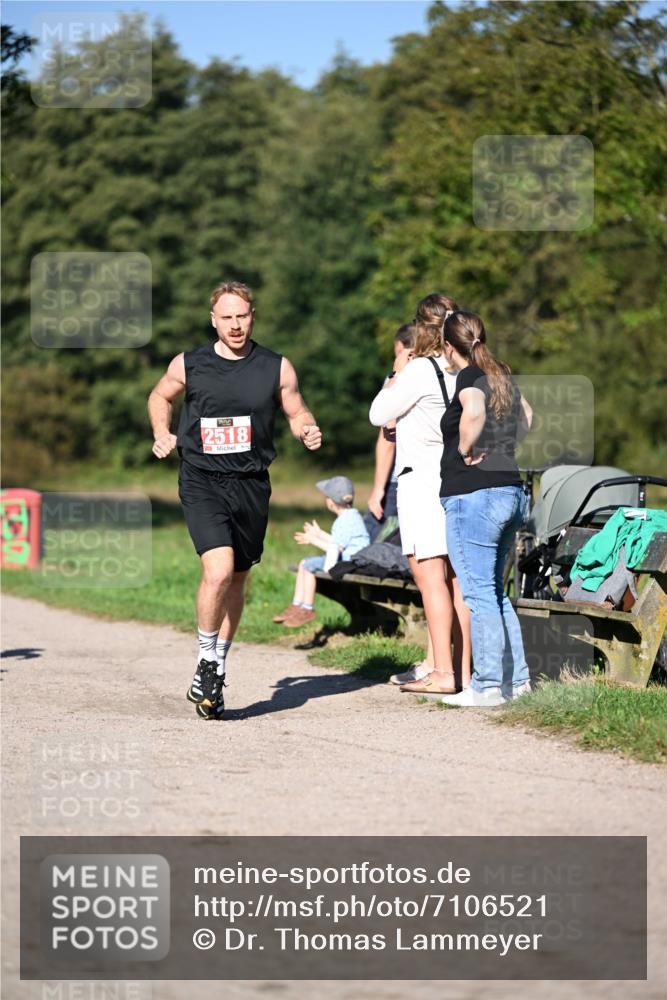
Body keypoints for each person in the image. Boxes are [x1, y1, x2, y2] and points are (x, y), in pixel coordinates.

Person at [148, 280, 322, 719]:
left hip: (251, 483)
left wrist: (306, 427)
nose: (235, 325)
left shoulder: (276, 367)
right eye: (226, 317)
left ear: (252, 316)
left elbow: (296, 408)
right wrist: (162, 431)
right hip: (202, 479)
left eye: (242, 316)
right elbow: (159, 395)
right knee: (219, 571)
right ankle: (206, 660)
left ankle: (217, 667)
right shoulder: (189, 363)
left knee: (238, 579)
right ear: (214, 320)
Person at [369, 294, 472, 693]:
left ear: (421, 327)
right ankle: (461, 670)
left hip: (421, 483)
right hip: (459, 479)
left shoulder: (418, 370)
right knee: (458, 581)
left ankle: (442, 673)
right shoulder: (466, 367)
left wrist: (395, 372)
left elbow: (378, 414)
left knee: (430, 579)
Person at [438, 310, 533, 707]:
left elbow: (474, 411)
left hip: (474, 495)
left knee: (478, 595)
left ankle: (487, 686)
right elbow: (528, 417)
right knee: (494, 592)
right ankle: (518, 683)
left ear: (448, 346)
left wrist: (465, 449)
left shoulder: (468, 375)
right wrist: (503, 448)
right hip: (510, 490)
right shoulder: (501, 375)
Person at [273, 476, 370, 628]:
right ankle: (297, 605)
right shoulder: (352, 516)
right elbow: (339, 542)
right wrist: (319, 534)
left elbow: (335, 549)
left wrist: (313, 540)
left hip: (349, 563)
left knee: (308, 566)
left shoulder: (343, 521)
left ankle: (307, 608)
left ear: (331, 502)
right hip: (351, 559)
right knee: (304, 563)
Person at [365, 324, 416, 542]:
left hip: (400, 480)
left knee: (378, 545)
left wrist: (378, 490)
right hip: (435, 477)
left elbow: (387, 437)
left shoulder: (400, 378)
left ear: (400, 348)